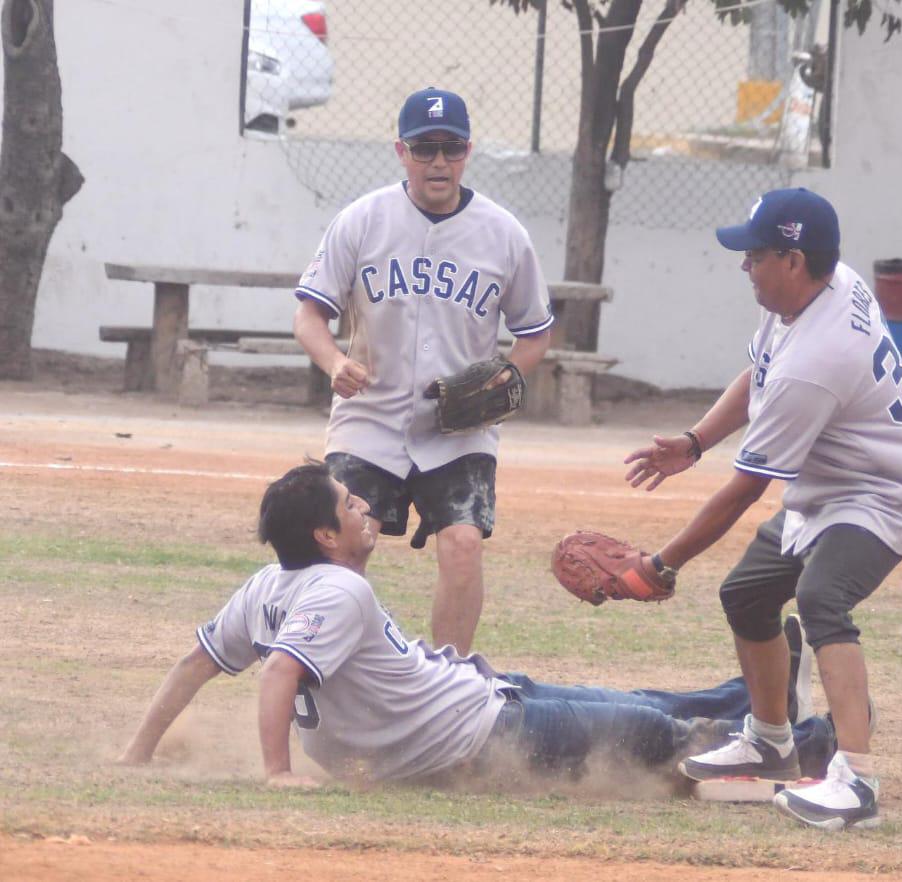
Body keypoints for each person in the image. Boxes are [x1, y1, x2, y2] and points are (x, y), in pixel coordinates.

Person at [118, 463, 836, 788]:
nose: (365, 509)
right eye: (349, 506)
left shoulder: (265, 586)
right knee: (650, 734)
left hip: (471, 695)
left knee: (645, 703)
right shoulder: (339, 590)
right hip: (482, 733)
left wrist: (138, 753)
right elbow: (279, 672)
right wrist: (277, 774)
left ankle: (761, 695)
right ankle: (803, 745)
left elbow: (194, 665)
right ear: (327, 536)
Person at [620, 188, 902, 831]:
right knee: (746, 594)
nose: (745, 264)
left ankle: (857, 780)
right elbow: (760, 373)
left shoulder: (819, 358)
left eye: (756, 253)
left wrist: (662, 564)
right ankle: (772, 742)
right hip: (835, 485)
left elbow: (745, 489)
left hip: (888, 491)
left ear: (793, 259)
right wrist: (694, 443)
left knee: (823, 600)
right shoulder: (817, 290)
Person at [293, 87, 554, 655]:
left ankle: (449, 684)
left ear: (468, 151)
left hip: (460, 426)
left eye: (452, 147)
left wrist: (501, 379)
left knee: (462, 543)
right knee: (339, 546)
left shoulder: (503, 233)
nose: (439, 161)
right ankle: (335, 666)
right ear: (401, 150)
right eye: (425, 147)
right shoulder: (362, 220)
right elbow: (310, 314)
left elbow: (535, 331)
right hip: (370, 416)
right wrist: (334, 361)